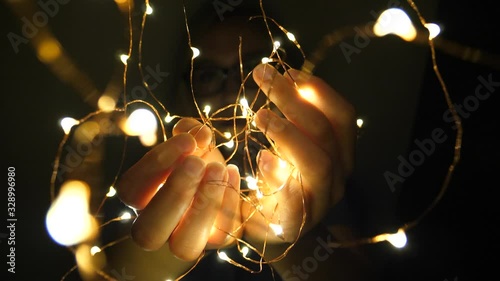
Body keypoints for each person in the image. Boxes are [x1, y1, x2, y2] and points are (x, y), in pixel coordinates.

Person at [59, 2, 376, 280]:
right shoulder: (146, 186)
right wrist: (158, 248)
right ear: (185, 95)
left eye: (252, 69)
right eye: (208, 74)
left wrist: (288, 238)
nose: (231, 90)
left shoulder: (332, 185)